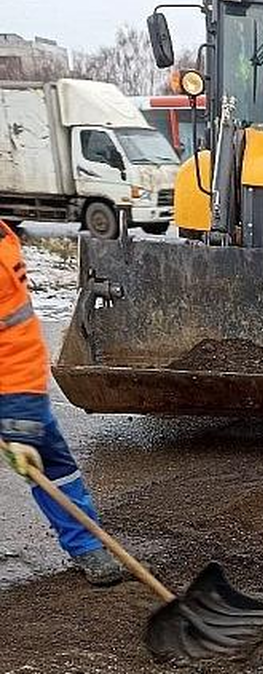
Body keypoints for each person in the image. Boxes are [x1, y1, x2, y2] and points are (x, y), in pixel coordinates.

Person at [1, 220, 123, 585]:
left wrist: (20, 426)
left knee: (51, 461)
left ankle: (86, 544)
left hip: (13, 388)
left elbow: (16, 346)